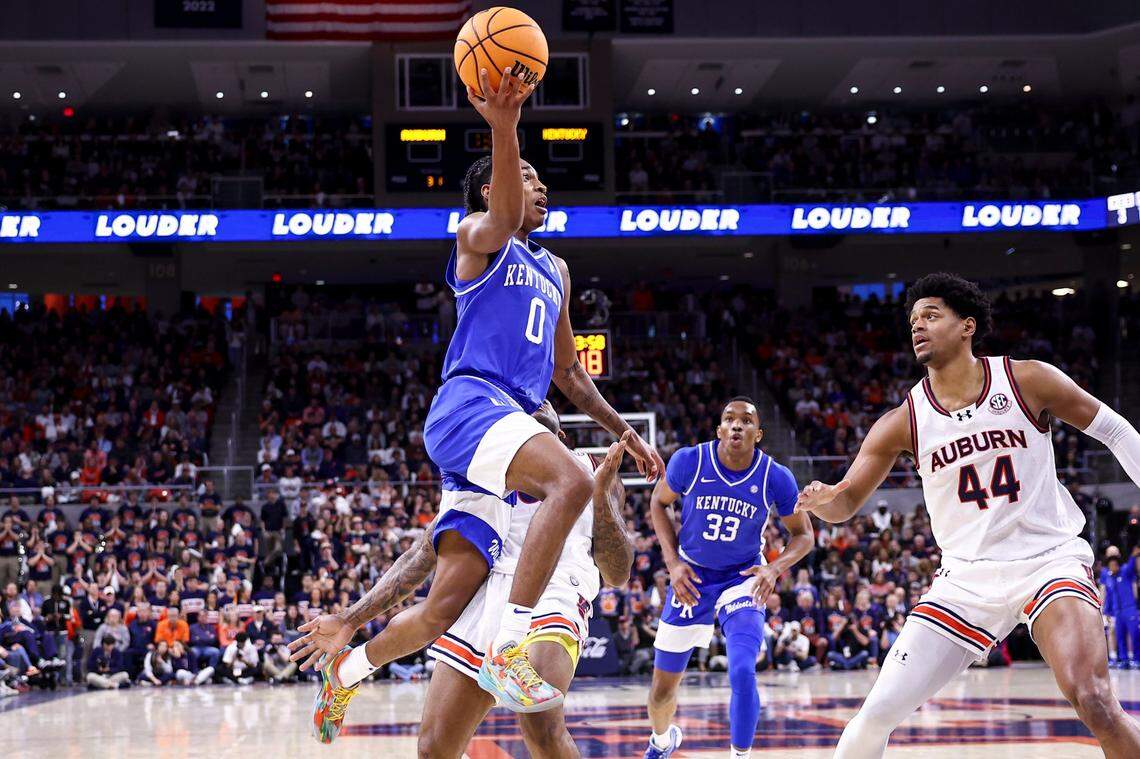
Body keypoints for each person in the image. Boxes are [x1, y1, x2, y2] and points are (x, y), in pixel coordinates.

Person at [288, 66, 662, 716]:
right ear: (493, 190)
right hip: (474, 404)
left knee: (442, 603)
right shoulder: (475, 238)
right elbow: (503, 218)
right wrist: (504, 125)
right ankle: (509, 643)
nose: (541, 188)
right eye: (528, 178)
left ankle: (347, 667)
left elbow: (570, 374)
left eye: (541, 180)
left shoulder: (557, 269)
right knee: (572, 480)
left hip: (500, 433)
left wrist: (623, 432)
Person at [794, 272, 1140, 758]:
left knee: (1094, 700)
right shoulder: (904, 420)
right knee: (873, 717)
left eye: (931, 315)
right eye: (913, 320)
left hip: (1047, 562)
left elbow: (1116, 432)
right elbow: (846, 502)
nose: (918, 326)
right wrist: (825, 497)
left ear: (967, 326)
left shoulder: (1026, 380)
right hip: (964, 581)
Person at [292, 402, 634, 751]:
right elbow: (420, 556)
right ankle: (347, 671)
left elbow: (618, 573)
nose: (536, 403)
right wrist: (350, 618)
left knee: (541, 724)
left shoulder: (592, 470)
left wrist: (602, 497)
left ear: (558, 439)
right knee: (433, 748)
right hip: (489, 597)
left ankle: (349, 669)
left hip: (557, 591)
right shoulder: (484, 474)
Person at [643, 397, 813, 759]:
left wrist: (774, 568)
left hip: (742, 577)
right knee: (661, 692)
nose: (737, 425)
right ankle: (661, 740)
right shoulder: (690, 461)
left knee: (742, 670)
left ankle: (740, 755)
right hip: (691, 576)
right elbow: (658, 502)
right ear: (719, 429)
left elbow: (804, 535)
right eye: (729, 419)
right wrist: (673, 563)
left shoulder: (775, 476)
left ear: (758, 434)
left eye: (746, 420)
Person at [1099, 546, 1140, 668]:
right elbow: (1105, 593)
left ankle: (1136, 659)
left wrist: (1134, 556)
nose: (1113, 566)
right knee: (1119, 636)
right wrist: (1104, 610)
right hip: (1116, 611)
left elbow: (1131, 566)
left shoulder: (1125, 571)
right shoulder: (1108, 576)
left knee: (1134, 634)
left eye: (1114, 564)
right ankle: (1123, 659)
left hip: (1129, 609)